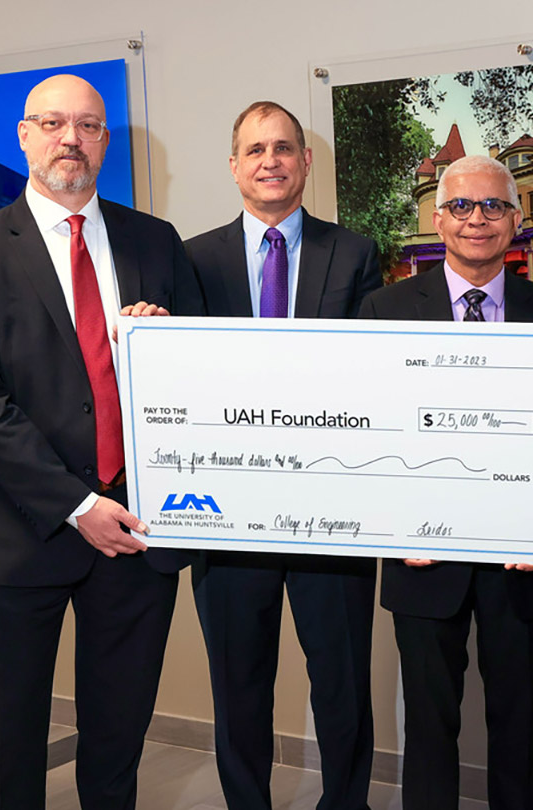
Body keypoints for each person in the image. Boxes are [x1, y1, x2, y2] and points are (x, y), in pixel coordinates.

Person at [0, 74, 204, 810]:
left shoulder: (155, 241)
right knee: (11, 734)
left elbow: (196, 384)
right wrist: (77, 503)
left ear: (104, 142)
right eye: (53, 123)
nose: (70, 139)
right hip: (25, 531)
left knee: (118, 733)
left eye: (87, 126)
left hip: (138, 529)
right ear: (24, 135)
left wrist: (163, 344)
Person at [358, 154, 533, 810]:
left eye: (492, 206)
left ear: (517, 219)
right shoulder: (385, 310)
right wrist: (391, 527)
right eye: (462, 206)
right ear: (438, 219)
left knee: (517, 728)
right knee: (429, 727)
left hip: (523, 557)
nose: (477, 219)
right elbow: (370, 435)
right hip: (421, 556)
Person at [185, 100, 382, 810]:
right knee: (237, 685)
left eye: (284, 148)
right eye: (255, 149)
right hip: (229, 516)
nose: (270, 161)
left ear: (304, 162)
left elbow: (370, 377)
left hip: (331, 512)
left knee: (341, 682)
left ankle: (346, 803)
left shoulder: (354, 252)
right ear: (234, 166)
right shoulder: (193, 259)